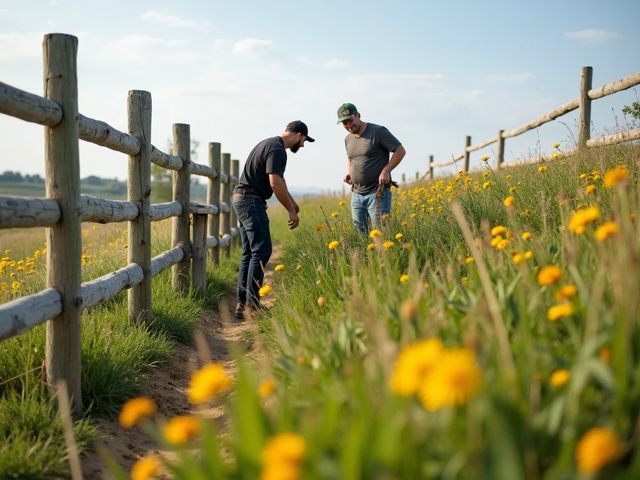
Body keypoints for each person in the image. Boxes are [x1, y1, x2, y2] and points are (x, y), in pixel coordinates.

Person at [232, 120, 314, 320]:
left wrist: (292, 202)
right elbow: (274, 183)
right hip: (251, 200)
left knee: (249, 252)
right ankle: (252, 306)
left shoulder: (268, 143)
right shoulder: (278, 150)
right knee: (262, 250)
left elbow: (280, 180)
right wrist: (291, 212)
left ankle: (242, 304)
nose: (302, 145)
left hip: (240, 198)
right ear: (297, 134)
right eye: (303, 140)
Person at [337, 103, 406, 232]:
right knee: (360, 235)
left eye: (350, 120)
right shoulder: (348, 139)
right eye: (344, 123)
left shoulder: (377, 131)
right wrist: (349, 172)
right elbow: (350, 158)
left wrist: (386, 170)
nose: (348, 125)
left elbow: (400, 150)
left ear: (358, 115)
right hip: (356, 195)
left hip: (377, 193)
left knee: (381, 234)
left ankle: (383, 253)